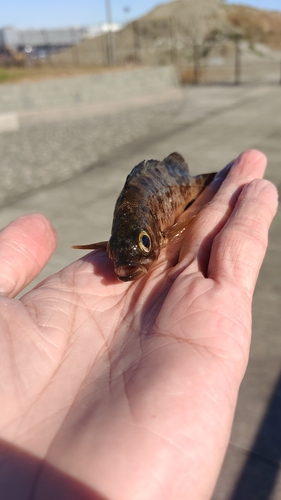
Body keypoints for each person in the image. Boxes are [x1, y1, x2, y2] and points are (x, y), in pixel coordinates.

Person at [0, 149, 278, 500]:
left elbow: (173, 227)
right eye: (118, 255)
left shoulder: (159, 223)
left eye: (144, 243)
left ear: (155, 235)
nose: (124, 265)